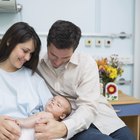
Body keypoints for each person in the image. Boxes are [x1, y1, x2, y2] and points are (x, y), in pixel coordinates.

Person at [36, 20, 136, 140]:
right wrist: (65, 127)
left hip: (100, 115)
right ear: (47, 45)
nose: (57, 62)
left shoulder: (86, 63)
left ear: (74, 51)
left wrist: (64, 128)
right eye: (53, 55)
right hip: (71, 120)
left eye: (65, 58)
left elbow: (88, 106)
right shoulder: (36, 63)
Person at [0, 22, 53, 140]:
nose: (28, 58)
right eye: (25, 51)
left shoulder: (35, 80)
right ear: (9, 40)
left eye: (31, 53)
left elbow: (52, 115)